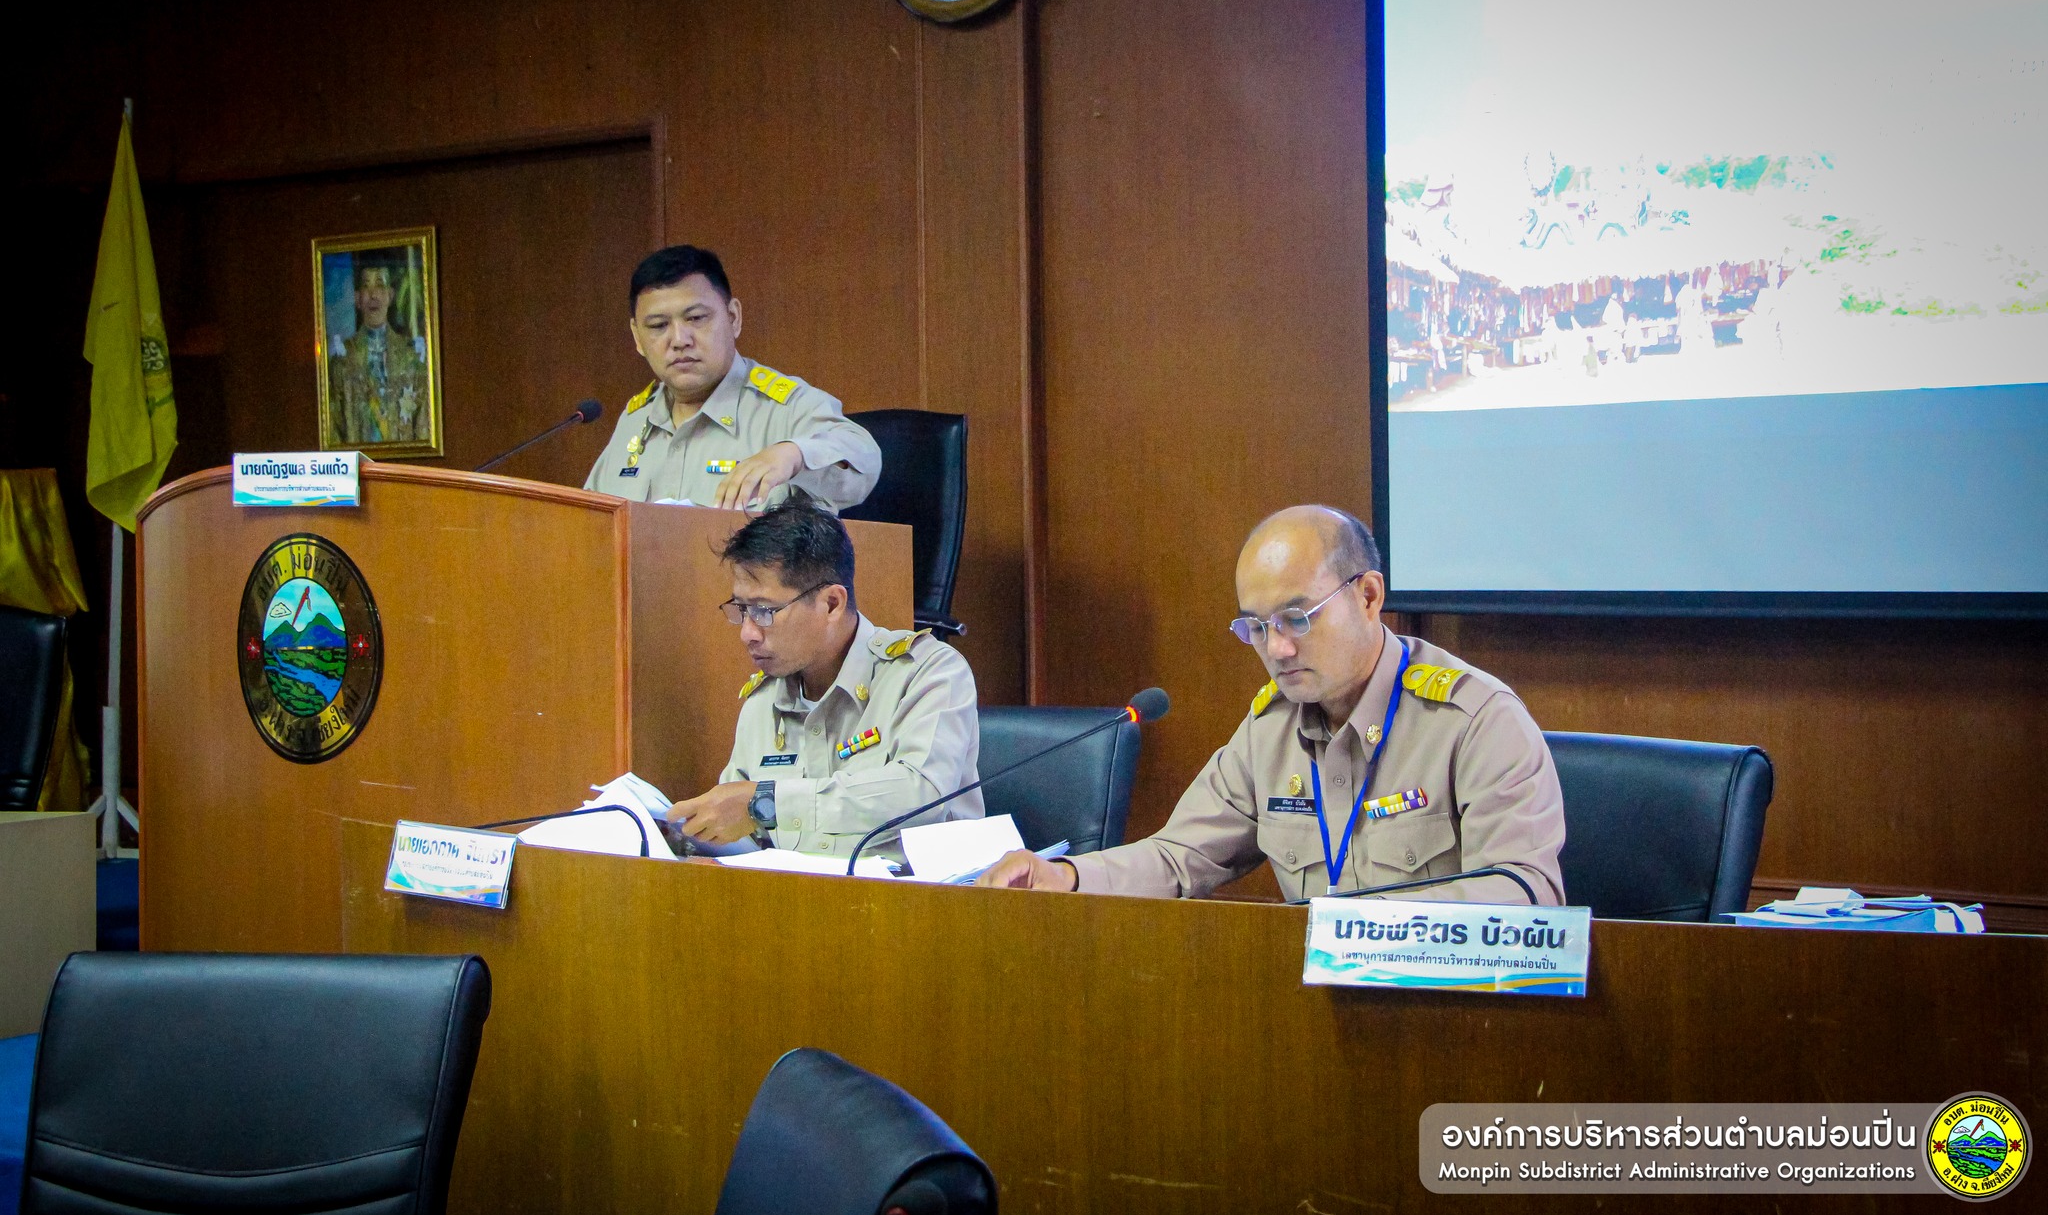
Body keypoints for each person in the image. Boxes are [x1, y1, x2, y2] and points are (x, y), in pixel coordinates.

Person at [977, 505, 1565, 903]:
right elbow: (1178, 859)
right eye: (1256, 628)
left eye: (1297, 618)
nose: (1278, 649)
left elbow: (1525, 892)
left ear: (1368, 597)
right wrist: (1066, 876)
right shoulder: (1270, 729)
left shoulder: (1475, 721)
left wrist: (1369, 933)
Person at [665, 496, 980, 861]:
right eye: (742, 609)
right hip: (797, 893)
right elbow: (744, 833)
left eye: (764, 610)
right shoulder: (763, 701)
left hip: (911, 892)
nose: (747, 633)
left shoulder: (927, 672)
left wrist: (769, 802)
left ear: (831, 603)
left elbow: (922, 795)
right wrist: (685, 838)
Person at [585, 245, 881, 509]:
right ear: (637, 338)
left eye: (696, 318)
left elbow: (865, 461)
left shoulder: (782, 408)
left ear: (733, 318)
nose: (679, 340)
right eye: (658, 325)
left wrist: (793, 455)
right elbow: (590, 520)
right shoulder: (636, 419)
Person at [328, 256, 430, 444]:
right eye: (366, 286)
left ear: (390, 295)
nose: (373, 294)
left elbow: (424, 427)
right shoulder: (343, 361)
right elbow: (333, 431)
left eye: (380, 285)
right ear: (358, 298)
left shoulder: (411, 358)